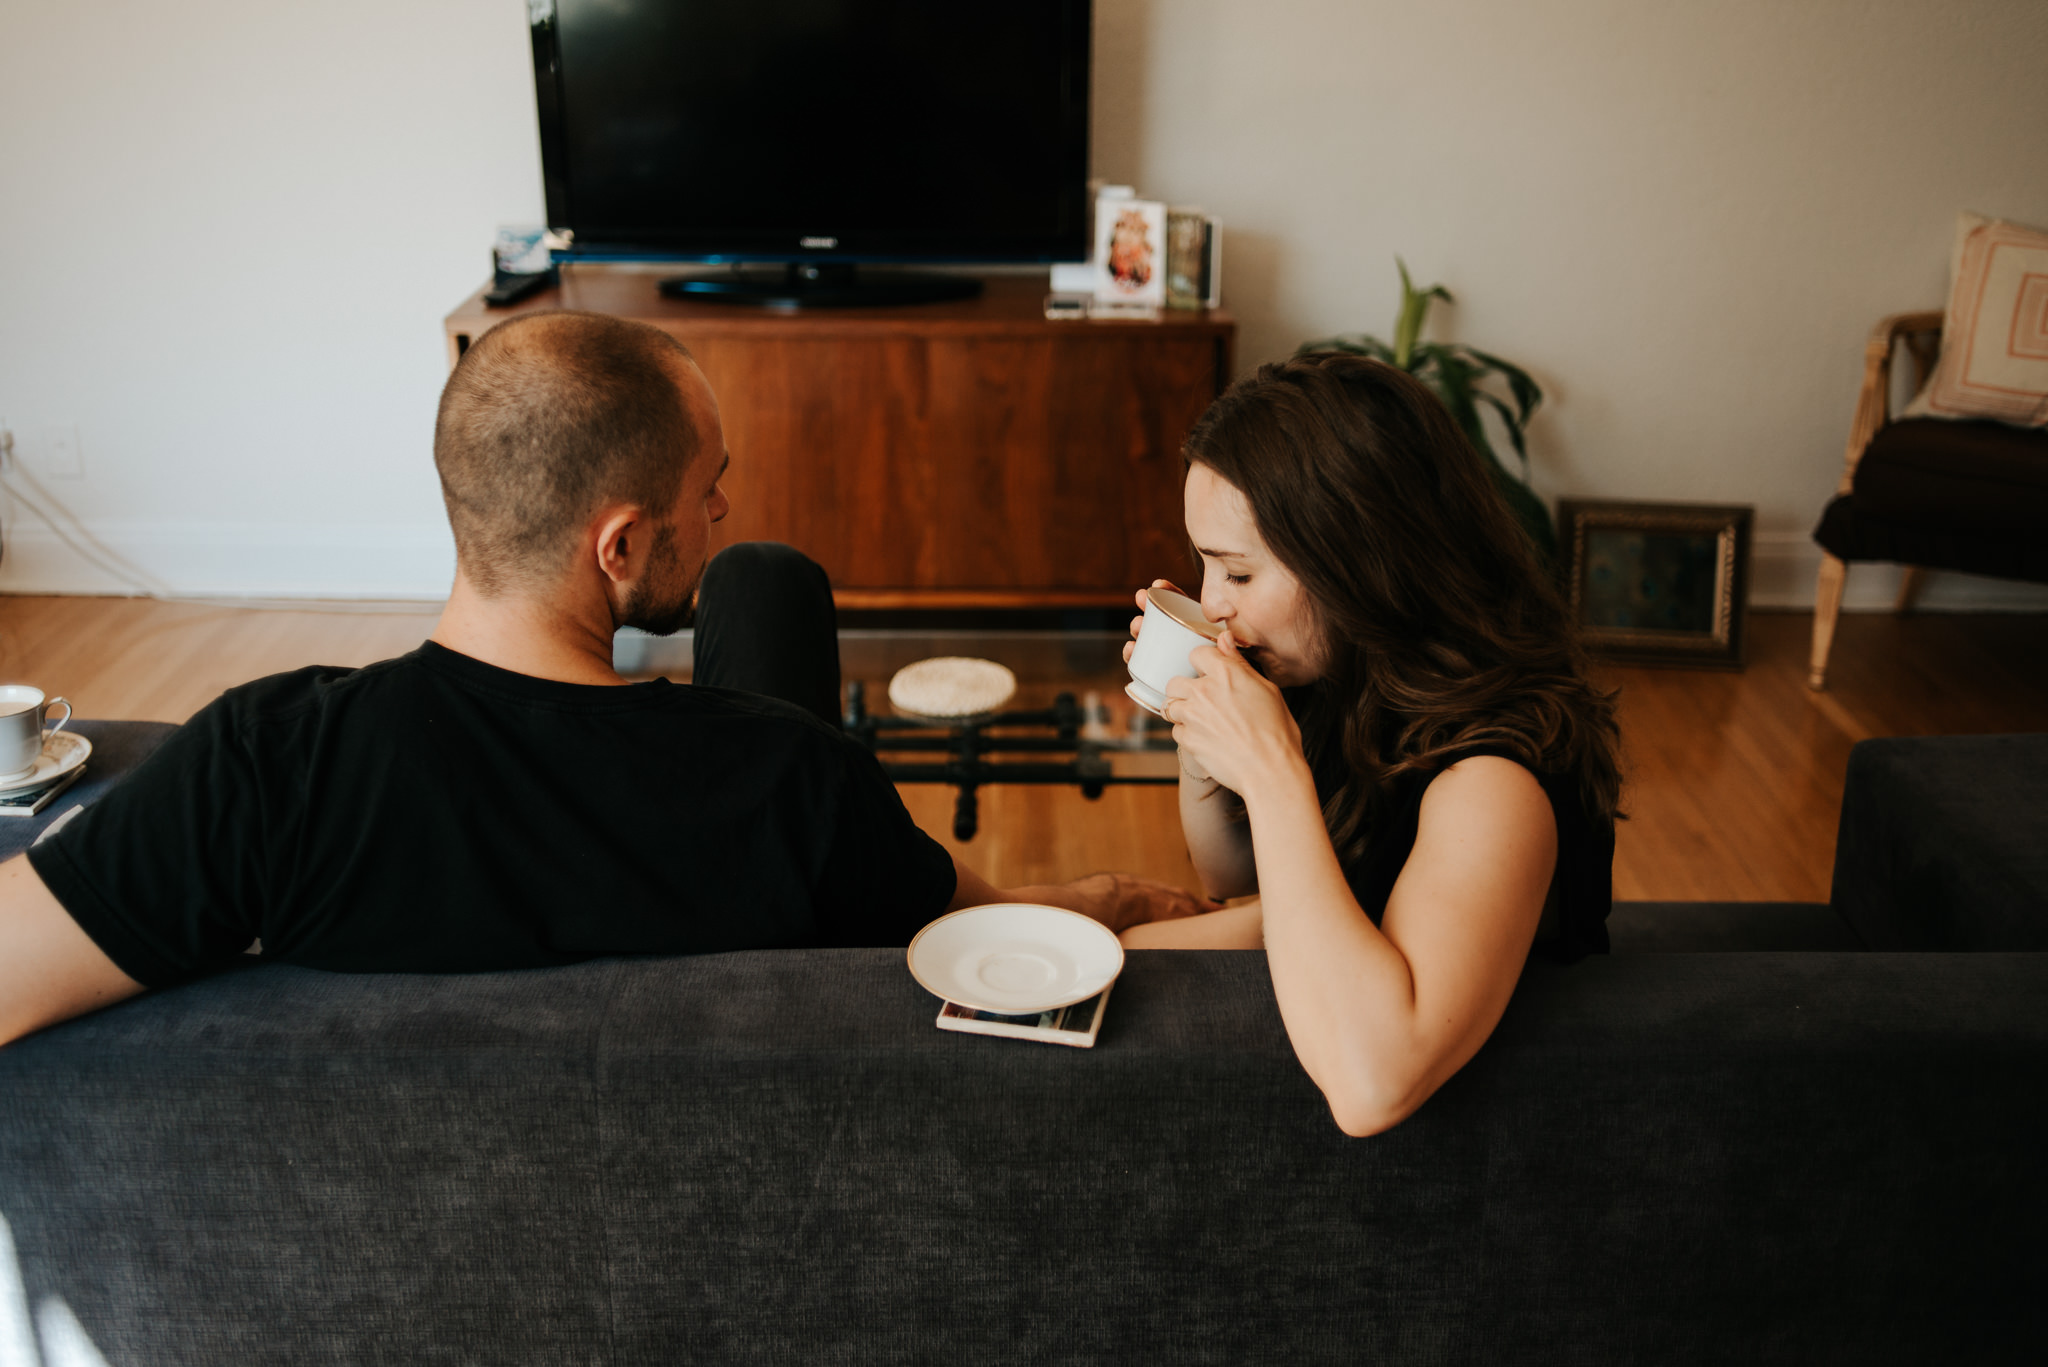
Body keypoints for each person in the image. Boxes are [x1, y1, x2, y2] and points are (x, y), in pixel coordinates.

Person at [0, 311, 1205, 1048]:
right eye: (705, 487)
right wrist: (1105, 891)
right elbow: (982, 932)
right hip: (736, 821)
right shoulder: (792, 777)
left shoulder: (266, 764)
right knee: (765, 581)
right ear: (619, 545)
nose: (720, 502)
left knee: (751, 577)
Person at [1118, 353, 1622, 1137]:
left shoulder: (1493, 782)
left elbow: (1372, 1086)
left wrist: (1270, 768)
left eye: (1239, 574)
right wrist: (1203, 735)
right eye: (1203, 564)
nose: (1212, 601)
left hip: (1495, 1156)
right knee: (1089, 937)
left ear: (1356, 562)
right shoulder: (1346, 675)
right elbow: (1235, 878)